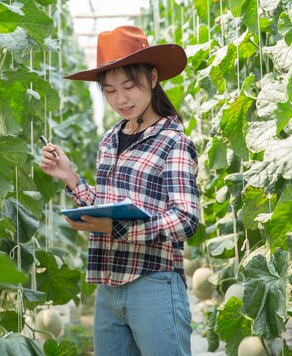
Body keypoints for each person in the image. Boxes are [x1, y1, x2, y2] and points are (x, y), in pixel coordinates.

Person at [40, 25, 199, 356]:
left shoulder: (173, 141)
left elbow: (186, 219)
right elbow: (107, 205)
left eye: (129, 86)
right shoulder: (110, 140)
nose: (120, 99)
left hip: (154, 283)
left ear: (152, 79)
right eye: (109, 91)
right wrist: (70, 177)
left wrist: (119, 228)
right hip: (108, 288)